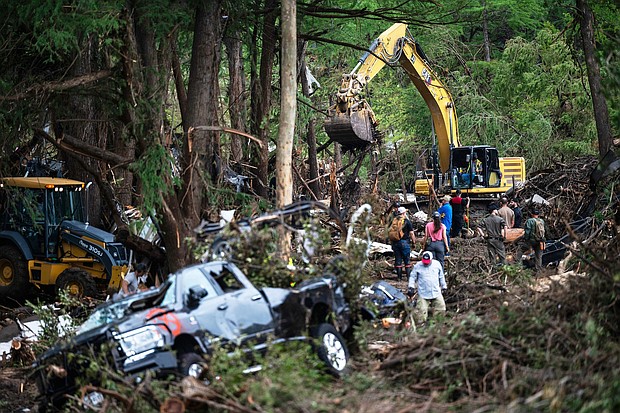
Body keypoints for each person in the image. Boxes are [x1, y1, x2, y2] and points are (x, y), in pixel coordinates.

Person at [407, 251, 447, 326]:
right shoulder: (418, 266)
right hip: (423, 293)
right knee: (420, 312)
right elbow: (412, 277)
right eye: (424, 261)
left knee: (441, 308)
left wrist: (444, 286)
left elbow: (441, 276)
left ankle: (438, 326)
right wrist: (411, 287)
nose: (426, 263)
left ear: (431, 259)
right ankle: (420, 327)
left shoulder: (437, 264)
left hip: (436, 291)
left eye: (428, 261)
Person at [389, 206, 416, 281]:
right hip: (404, 242)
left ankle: (399, 277)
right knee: (407, 260)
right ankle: (408, 277)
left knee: (398, 260)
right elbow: (411, 233)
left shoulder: (394, 221)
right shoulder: (406, 221)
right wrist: (414, 242)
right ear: (404, 213)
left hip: (395, 242)